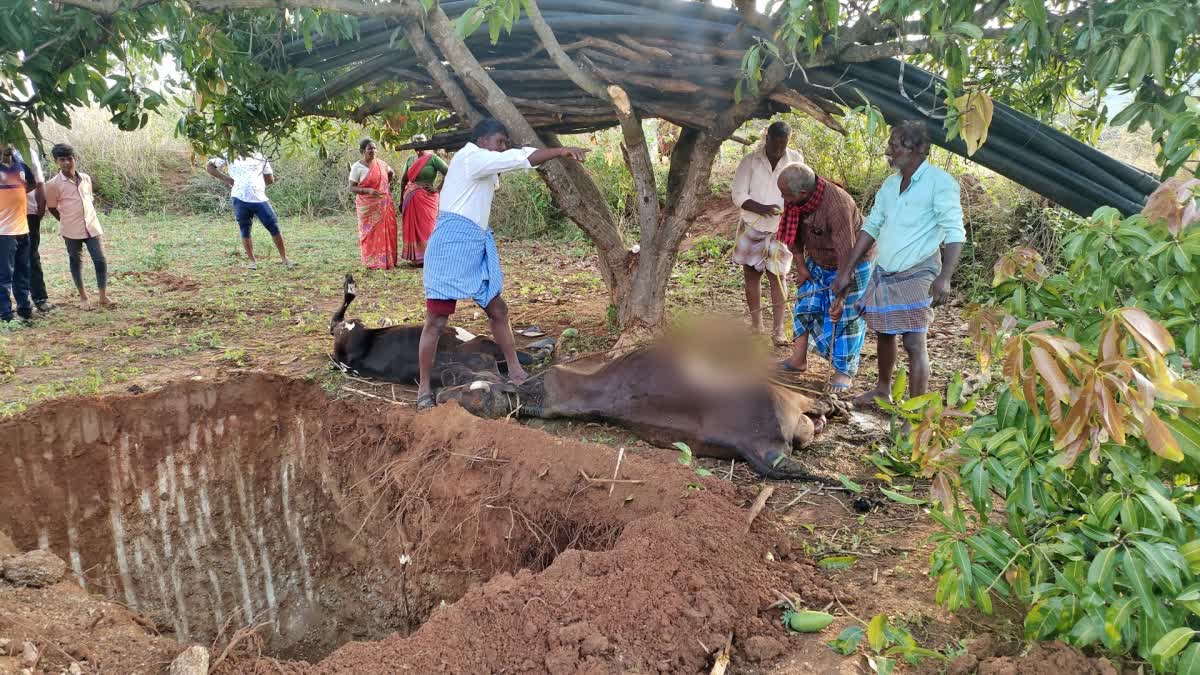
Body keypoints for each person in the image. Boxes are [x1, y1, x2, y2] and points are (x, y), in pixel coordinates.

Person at [416, 118, 588, 410]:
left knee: (498, 309)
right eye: (500, 141)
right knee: (436, 322)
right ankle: (422, 389)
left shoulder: (477, 162)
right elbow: (519, 157)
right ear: (483, 140)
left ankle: (517, 370)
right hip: (450, 248)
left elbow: (505, 162)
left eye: (505, 143)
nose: (503, 147)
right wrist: (561, 151)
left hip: (473, 244)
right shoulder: (472, 157)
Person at [831, 121, 965, 407]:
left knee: (914, 343)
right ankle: (883, 390)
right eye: (890, 145)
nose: (888, 150)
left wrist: (945, 277)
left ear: (915, 148)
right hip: (886, 271)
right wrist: (846, 270)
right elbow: (873, 226)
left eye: (894, 145)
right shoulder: (891, 185)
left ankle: (915, 415)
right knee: (884, 331)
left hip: (919, 270)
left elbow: (955, 232)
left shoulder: (939, 183)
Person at [776, 164, 874, 393]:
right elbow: (793, 235)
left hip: (851, 263)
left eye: (785, 194)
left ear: (802, 193)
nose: (782, 198)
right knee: (805, 305)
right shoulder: (795, 201)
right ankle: (797, 360)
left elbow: (846, 255)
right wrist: (801, 267)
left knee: (845, 317)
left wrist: (840, 298)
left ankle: (843, 372)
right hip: (818, 260)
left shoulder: (837, 205)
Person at [730, 121, 805, 345]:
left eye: (784, 144)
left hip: (781, 228)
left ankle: (778, 330)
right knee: (752, 274)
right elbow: (738, 194)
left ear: (788, 141)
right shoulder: (751, 160)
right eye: (775, 143)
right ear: (767, 138)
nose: (779, 149)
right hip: (753, 223)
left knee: (778, 277)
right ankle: (756, 326)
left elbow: (802, 191)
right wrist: (762, 209)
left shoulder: (795, 160)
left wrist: (789, 210)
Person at [44, 144, 113, 309]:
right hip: (71, 230)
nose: (67, 162)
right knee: (75, 261)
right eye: (62, 159)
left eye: (70, 158)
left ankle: (103, 296)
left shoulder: (86, 178)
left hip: (92, 226)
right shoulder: (53, 184)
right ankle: (83, 298)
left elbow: (89, 200)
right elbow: (52, 207)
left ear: (75, 159)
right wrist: (65, 220)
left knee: (100, 260)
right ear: (56, 162)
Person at [206, 152, 294, 269]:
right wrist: (227, 179)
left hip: (259, 198)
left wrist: (255, 186)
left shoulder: (260, 155)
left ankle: (282, 258)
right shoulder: (229, 153)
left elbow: (270, 178)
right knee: (247, 228)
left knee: (271, 227)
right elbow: (209, 166)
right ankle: (254, 262)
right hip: (239, 198)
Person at [348, 138, 399, 270]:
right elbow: (352, 188)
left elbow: (391, 173)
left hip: (384, 204)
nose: (373, 151)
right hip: (367, 206)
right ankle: (372, 261)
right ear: (362, 151)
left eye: (375, 148)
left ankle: (386, 260)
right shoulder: (357, 167)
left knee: (386, 232)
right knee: (369, 234)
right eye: (370, 148)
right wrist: (367, 190)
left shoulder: (381, 164)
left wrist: (386, 186)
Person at [0, 144, 36, 324]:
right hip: (3, 232)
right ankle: (5, 314)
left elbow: (31, 183)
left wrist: (14, 195)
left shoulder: (20, 163)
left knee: (22, 272)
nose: (6, 146)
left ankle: (24, 309)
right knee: (4, 275)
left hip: (22, 228)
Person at [398, 136, 448, 265]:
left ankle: (430, 256)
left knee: (429, 226)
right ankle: (416, 258)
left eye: (421, 142)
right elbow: (404, 180)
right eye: (415, 143)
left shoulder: (433, 158)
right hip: (410, 197)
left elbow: (449, 172)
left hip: (428, 198)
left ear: (426, 144)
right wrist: (401, 200)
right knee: (412, 227)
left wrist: (437, 188)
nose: (418, 145)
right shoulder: (410, 160)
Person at [16, 148, 52, 313]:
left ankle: (39, 298)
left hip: (27, 212)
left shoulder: (25, 152)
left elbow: (39, 182)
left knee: (31, 255)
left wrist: (41, 207)